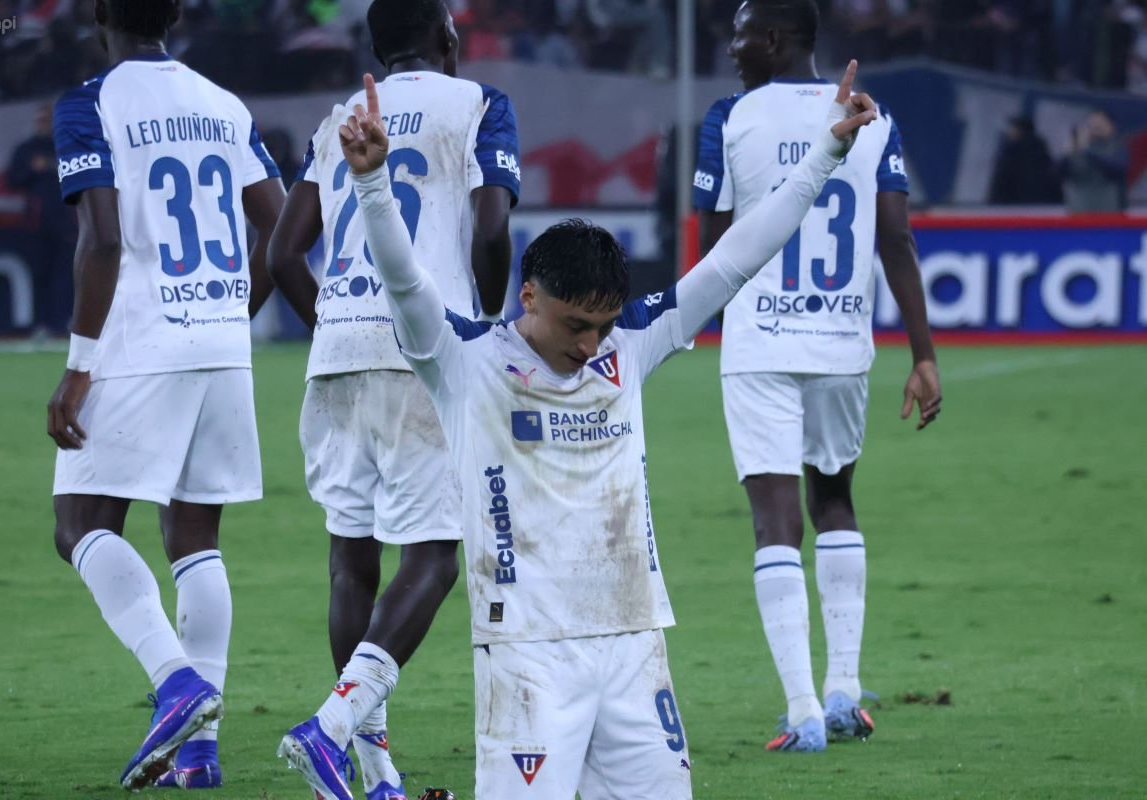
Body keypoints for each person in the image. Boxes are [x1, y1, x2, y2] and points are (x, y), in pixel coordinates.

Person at [312, 62, 874, 798]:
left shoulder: (628, 346)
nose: (589, 345)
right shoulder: (461, 361)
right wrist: (373, 185)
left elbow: (737, 258)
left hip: (636, 645)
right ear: (530, 293)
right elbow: (407, 283)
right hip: (527, 658)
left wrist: (824, 158)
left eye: (603, 325)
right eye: (576, 325)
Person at [269, 1, 519, 798]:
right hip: (427, 349)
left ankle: (375, 774)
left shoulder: (341, 118)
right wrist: (479, 329)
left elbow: (281, 254)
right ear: (448, 39)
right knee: (436, 557)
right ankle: (333, 728)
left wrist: (334, 324)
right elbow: (489, 230)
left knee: (351, 557)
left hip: (337, 351)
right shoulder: (480, 104)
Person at [46, 0, 285, 789]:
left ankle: (177, 684)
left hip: (140, 341)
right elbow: (280, 230)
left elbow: (104, 239)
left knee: (79, 524)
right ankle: (201, 751)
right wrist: (230, 314)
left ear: (98, 13)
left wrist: (80, 365)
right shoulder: (224, 103)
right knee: (196, 537)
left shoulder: (91, 102)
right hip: (220, 341)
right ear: (176, 13)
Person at [692, 0, 941, 753]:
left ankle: (801, 710)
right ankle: (843, 689)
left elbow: (715, 246)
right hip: (840, 342)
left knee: (775, 521)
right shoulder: (869, 112)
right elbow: (896, 239)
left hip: (762, 343)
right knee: (834, 500)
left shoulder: (729, 119)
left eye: (738, 35)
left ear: (772, 39)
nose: (731, 48)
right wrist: (924, 354)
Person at [5, 102, 76, 336]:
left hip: (65, 222)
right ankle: (41, 324)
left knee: (65, 275)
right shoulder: (26, 149)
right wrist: (33, 170)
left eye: (47, 120)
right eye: (40, 120)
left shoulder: (66, 148)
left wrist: (51, 167)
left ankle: (63, 322)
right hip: (36, 223)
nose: (43, 124)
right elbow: (13, 180)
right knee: (39, 274)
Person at [1060, 111, 1128, 213]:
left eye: (1100, 124)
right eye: (1092, 124)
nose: (1095, 127)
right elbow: (1057, 173)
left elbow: (1118, 170)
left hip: (1109, 214)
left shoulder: (1117, 147)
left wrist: (1088, 152)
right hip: (1077, 213)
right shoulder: (1076, 148)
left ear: (1111, 126)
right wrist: (1066, 155)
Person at [988, 114, 1063, 205]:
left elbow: (999, 187)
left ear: (1019, 131)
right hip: (1040, 210)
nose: (1009, 133)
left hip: (1013, 210)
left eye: (1012, 129)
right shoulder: (1042, 154)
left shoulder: (1010, 154)